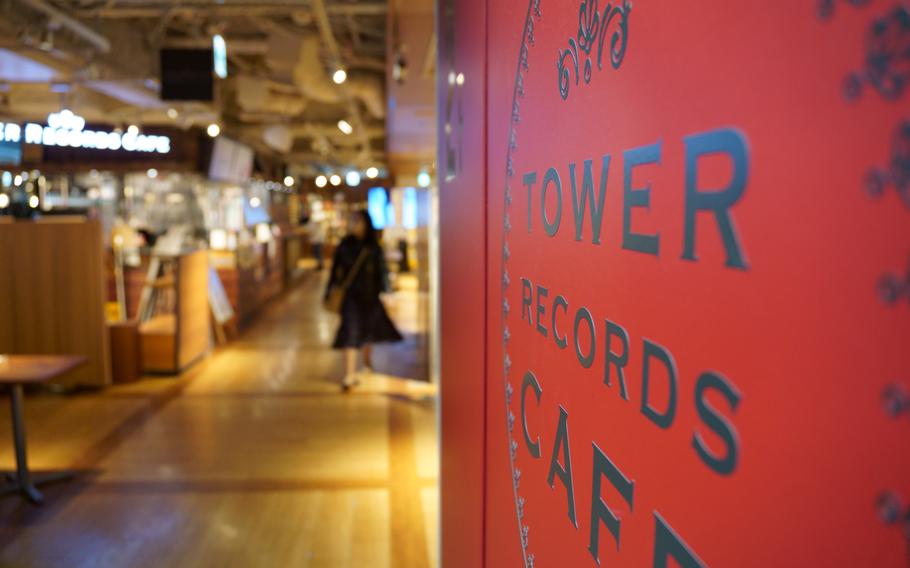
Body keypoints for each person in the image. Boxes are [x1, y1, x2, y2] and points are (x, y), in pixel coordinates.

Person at [326, 210, 403, 390]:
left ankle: (367, 363)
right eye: (352, 221)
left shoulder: (373, 247)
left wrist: (388, 293)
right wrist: (329, 291)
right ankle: (349, 374)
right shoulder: (344, 245)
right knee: (350, 331)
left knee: (368, 331)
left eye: (357, 221)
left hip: (370, 296)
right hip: (350, 297)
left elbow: (381, 271)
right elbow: (335, 272)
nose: (354, 225)